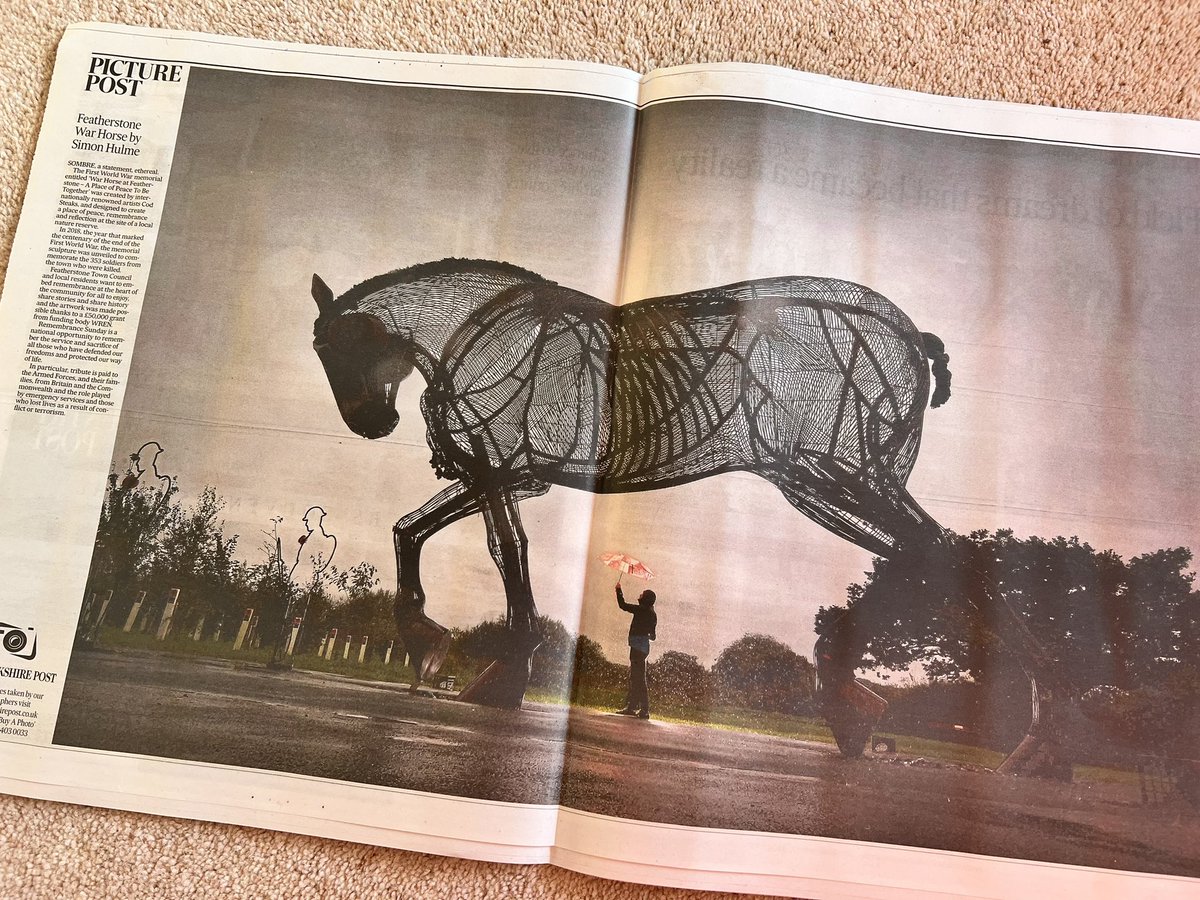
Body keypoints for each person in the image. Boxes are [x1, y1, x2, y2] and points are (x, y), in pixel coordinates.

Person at [615, 583, 656, 719]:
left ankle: (643, 710)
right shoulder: (652, 614)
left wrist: (618, 590)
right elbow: (653, 636)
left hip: (637, 647)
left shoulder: (641, 610)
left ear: (645, 599)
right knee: (636, 678)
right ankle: (634, 707)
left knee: (638, 679)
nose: (640, 595)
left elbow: (623, 605)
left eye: (642, 594)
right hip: (643, 648)